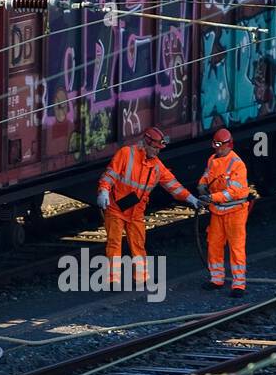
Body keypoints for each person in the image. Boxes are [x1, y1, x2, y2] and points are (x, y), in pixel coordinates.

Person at [97, 127, 199, 287]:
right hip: (116, 208)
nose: (157, 152)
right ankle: (113, 280)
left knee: (138, 243)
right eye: (155, 148)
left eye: (159, 149)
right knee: (114, 243)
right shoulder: (126, 154)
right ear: (146, 143)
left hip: (136, 211)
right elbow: (110, 174)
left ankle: (141, 278)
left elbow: (173, 185)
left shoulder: (157, 166)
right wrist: (103, 191)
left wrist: (191, 198)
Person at [198, 127, 250, 296]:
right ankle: (217, 279)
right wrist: (202, 184)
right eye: (215, 145)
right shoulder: (212, 159)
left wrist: (212, 197)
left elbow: (233, 192)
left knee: (236, 248)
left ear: (229, 145)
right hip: (218, 211)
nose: (217, 148)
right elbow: (207, 175)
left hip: (235, 211)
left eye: (220, 145)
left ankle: (238, 285)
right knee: (214, 245)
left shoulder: (237, 164)